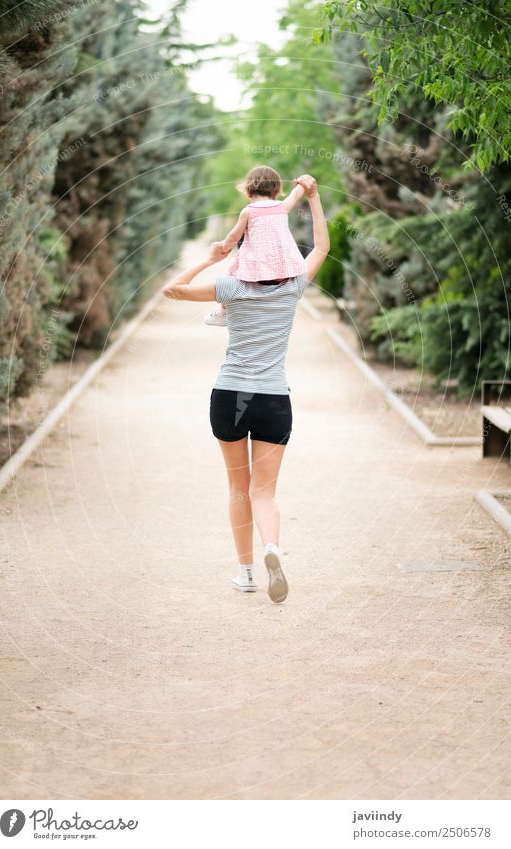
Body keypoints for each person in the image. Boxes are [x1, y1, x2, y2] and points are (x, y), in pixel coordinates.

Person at [163, 174, 329, 603]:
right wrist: (313, 199)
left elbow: (173, 290)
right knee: (265, 493)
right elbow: (322, 248)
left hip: (230, 397)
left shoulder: (231, 287)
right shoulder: (293, 287)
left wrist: (210, 257)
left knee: (238, 488)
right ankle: (273, 548)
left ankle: (246, 573)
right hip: (275, 400)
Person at [204, 165, 306, 327]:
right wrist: (303, 183)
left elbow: (234, 236)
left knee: (231, 274)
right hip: (283, 269)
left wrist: (223, 246)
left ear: (249, 189)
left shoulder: (249, 211)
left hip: (258, 269)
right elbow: (295, 195)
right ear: (275, 190)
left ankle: (225, 312)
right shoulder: (282, 207)